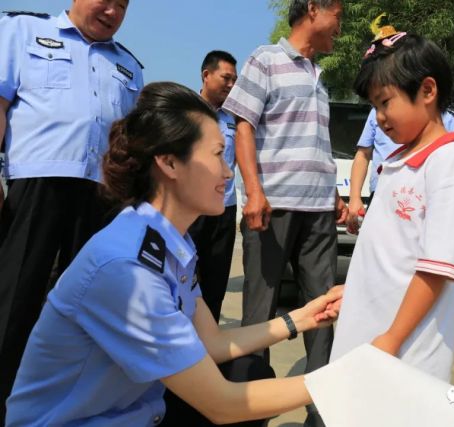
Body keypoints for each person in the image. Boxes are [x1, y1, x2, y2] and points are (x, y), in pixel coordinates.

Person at [5, 81, 344, 427]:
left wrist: (302, 318)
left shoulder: (168, 244)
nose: (228, 172)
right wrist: (344, 382)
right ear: (169, 163)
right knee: (242, 388)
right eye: (216, 155)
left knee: (248, 371)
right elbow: (222, 405)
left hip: (132, 414)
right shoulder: (126, 269)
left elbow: (212, 343)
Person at [0, 1, 144, 417]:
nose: (113, 10)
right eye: (107, 0)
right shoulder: (20, 33)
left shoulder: (129, 67)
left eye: (123, 5)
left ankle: (65, 403)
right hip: (36, 184)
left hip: (102, 198)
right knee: (15, 298)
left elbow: (129, 143)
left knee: (89, 304)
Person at [329, 31, 454, 385]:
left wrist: (392, 339)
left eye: (385, 102)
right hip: (370, 338)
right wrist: (356, 291)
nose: (379, 117)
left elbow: (436, 271)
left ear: (428, 91)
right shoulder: (399, 160)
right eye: (374, 106)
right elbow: (389, 252)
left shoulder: (449, 166)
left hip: (403, 353)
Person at [222, 1, 346, 425]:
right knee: (260, 313)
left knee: (324, 311)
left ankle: (323, 409)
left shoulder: (319, 76)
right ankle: (251, 410)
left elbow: (315, 142)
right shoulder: (266, 59)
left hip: (318, 213)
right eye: (339, 16)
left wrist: (332, 193)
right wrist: (253, 192)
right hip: (272, 209)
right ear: (313, 9)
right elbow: (243, 126)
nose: (341, 28)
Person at [346, 107, 454, 233]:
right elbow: (363, 154)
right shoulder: (378, 111)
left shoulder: (446, 118)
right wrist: (354, 197)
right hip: (381, 195)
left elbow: (452, 164)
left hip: (422, 200)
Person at [189, 50, 239, 322]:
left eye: (235, 80)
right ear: (206, 75)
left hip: (224, 211)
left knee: (215, 282)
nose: (231, 85)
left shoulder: (233, 119)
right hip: (192, 210)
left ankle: (209, 347)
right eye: (226, 78)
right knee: (183, 278)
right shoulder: (185, 111)